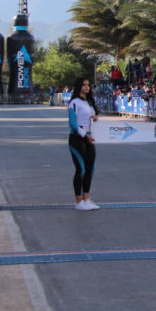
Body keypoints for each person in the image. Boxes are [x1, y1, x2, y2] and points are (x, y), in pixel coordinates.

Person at [68, 77, 100, 211]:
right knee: (80, 169)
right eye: (84, 85)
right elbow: (72, 123)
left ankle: (87, 199)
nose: (87, 87)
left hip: (89, 137)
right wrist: (84, 135)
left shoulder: (89, 102)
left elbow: (89, 119)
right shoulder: (74, 102)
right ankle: (79, 201)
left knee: (90, 168)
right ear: (78, 87)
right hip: (78, 139)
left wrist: (95, 118)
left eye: (88, 85)